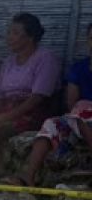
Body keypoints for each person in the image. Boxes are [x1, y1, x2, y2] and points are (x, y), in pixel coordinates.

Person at [0, 13, 63, 180]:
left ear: (30, 37)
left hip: (32, 111)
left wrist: (5, 117)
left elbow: (37, 97)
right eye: (9, 32)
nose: (9, 38)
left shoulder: (46, 59)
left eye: (15, 33)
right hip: (7, 108)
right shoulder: (9, 62)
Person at [16, 22, 92, 186]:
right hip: (80, 120)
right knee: (52, 124)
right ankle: (29, 176)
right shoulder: (79, 69)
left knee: (83, 107)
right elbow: (71, 103)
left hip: (84, 116)